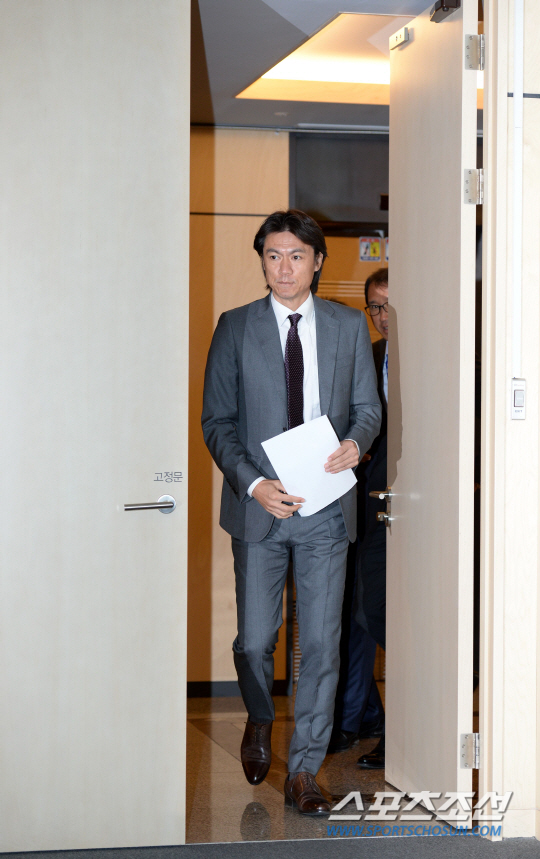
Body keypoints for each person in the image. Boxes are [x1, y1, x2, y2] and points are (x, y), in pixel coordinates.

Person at [202, 210, 381, 815]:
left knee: (322, 646)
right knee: (255, 642)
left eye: (296, 256)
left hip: (326, 509)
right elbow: (217, 421)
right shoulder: (235, 326)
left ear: (317, 261)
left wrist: (356, 441)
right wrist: (253, 484)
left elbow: (368, 408)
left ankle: (303, 770)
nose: (284, 268)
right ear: (263, 261)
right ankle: (259, 715)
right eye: (273, 256)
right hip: (260, 508)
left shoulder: (347, 326)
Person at [354, 266, 389, 770]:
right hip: (373, 506)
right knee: (368, 613)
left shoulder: (447, 356)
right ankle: (380, 723)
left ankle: (408, 730)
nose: (384, 316)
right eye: (376, 307)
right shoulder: (370, 356)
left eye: (391, 305)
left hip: (426, 509)